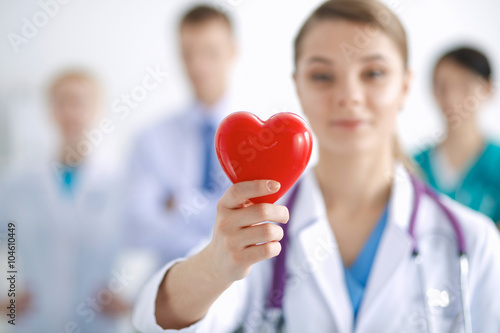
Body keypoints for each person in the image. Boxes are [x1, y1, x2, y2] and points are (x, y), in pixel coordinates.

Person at [132, 1, 500, 332]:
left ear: (404, 86)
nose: (348, 95)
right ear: (299, 88)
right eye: (322, 76)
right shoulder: (260, 227)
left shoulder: (474, 241)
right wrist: (215, 264)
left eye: (373, 73)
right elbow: (159, 320)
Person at [0, 70, 129, 332]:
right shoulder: (18, 183)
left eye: (81, 102)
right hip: (34, 323)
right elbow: (7, 240)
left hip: (96, 324)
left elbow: (153, 245)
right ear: (49, 110)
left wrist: (134, 299)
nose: (71, 112)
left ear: (97, 110)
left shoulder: (119, 184)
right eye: (62, 101)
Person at [126, 4, 237, 265]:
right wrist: (218, 216)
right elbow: (136, 227)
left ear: (233, 51)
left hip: (243, 287)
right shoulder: (151, 138)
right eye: (188, 54)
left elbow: (259, 222)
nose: (198, 65)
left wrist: (179, 202)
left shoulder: (263, 135)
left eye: (210, 53)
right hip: (171, 282)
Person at [413, 47, 500, 228]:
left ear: (487, 89)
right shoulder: (413, 166)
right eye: (442, 86)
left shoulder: (495, 165)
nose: (451, 98)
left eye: (464, 86)